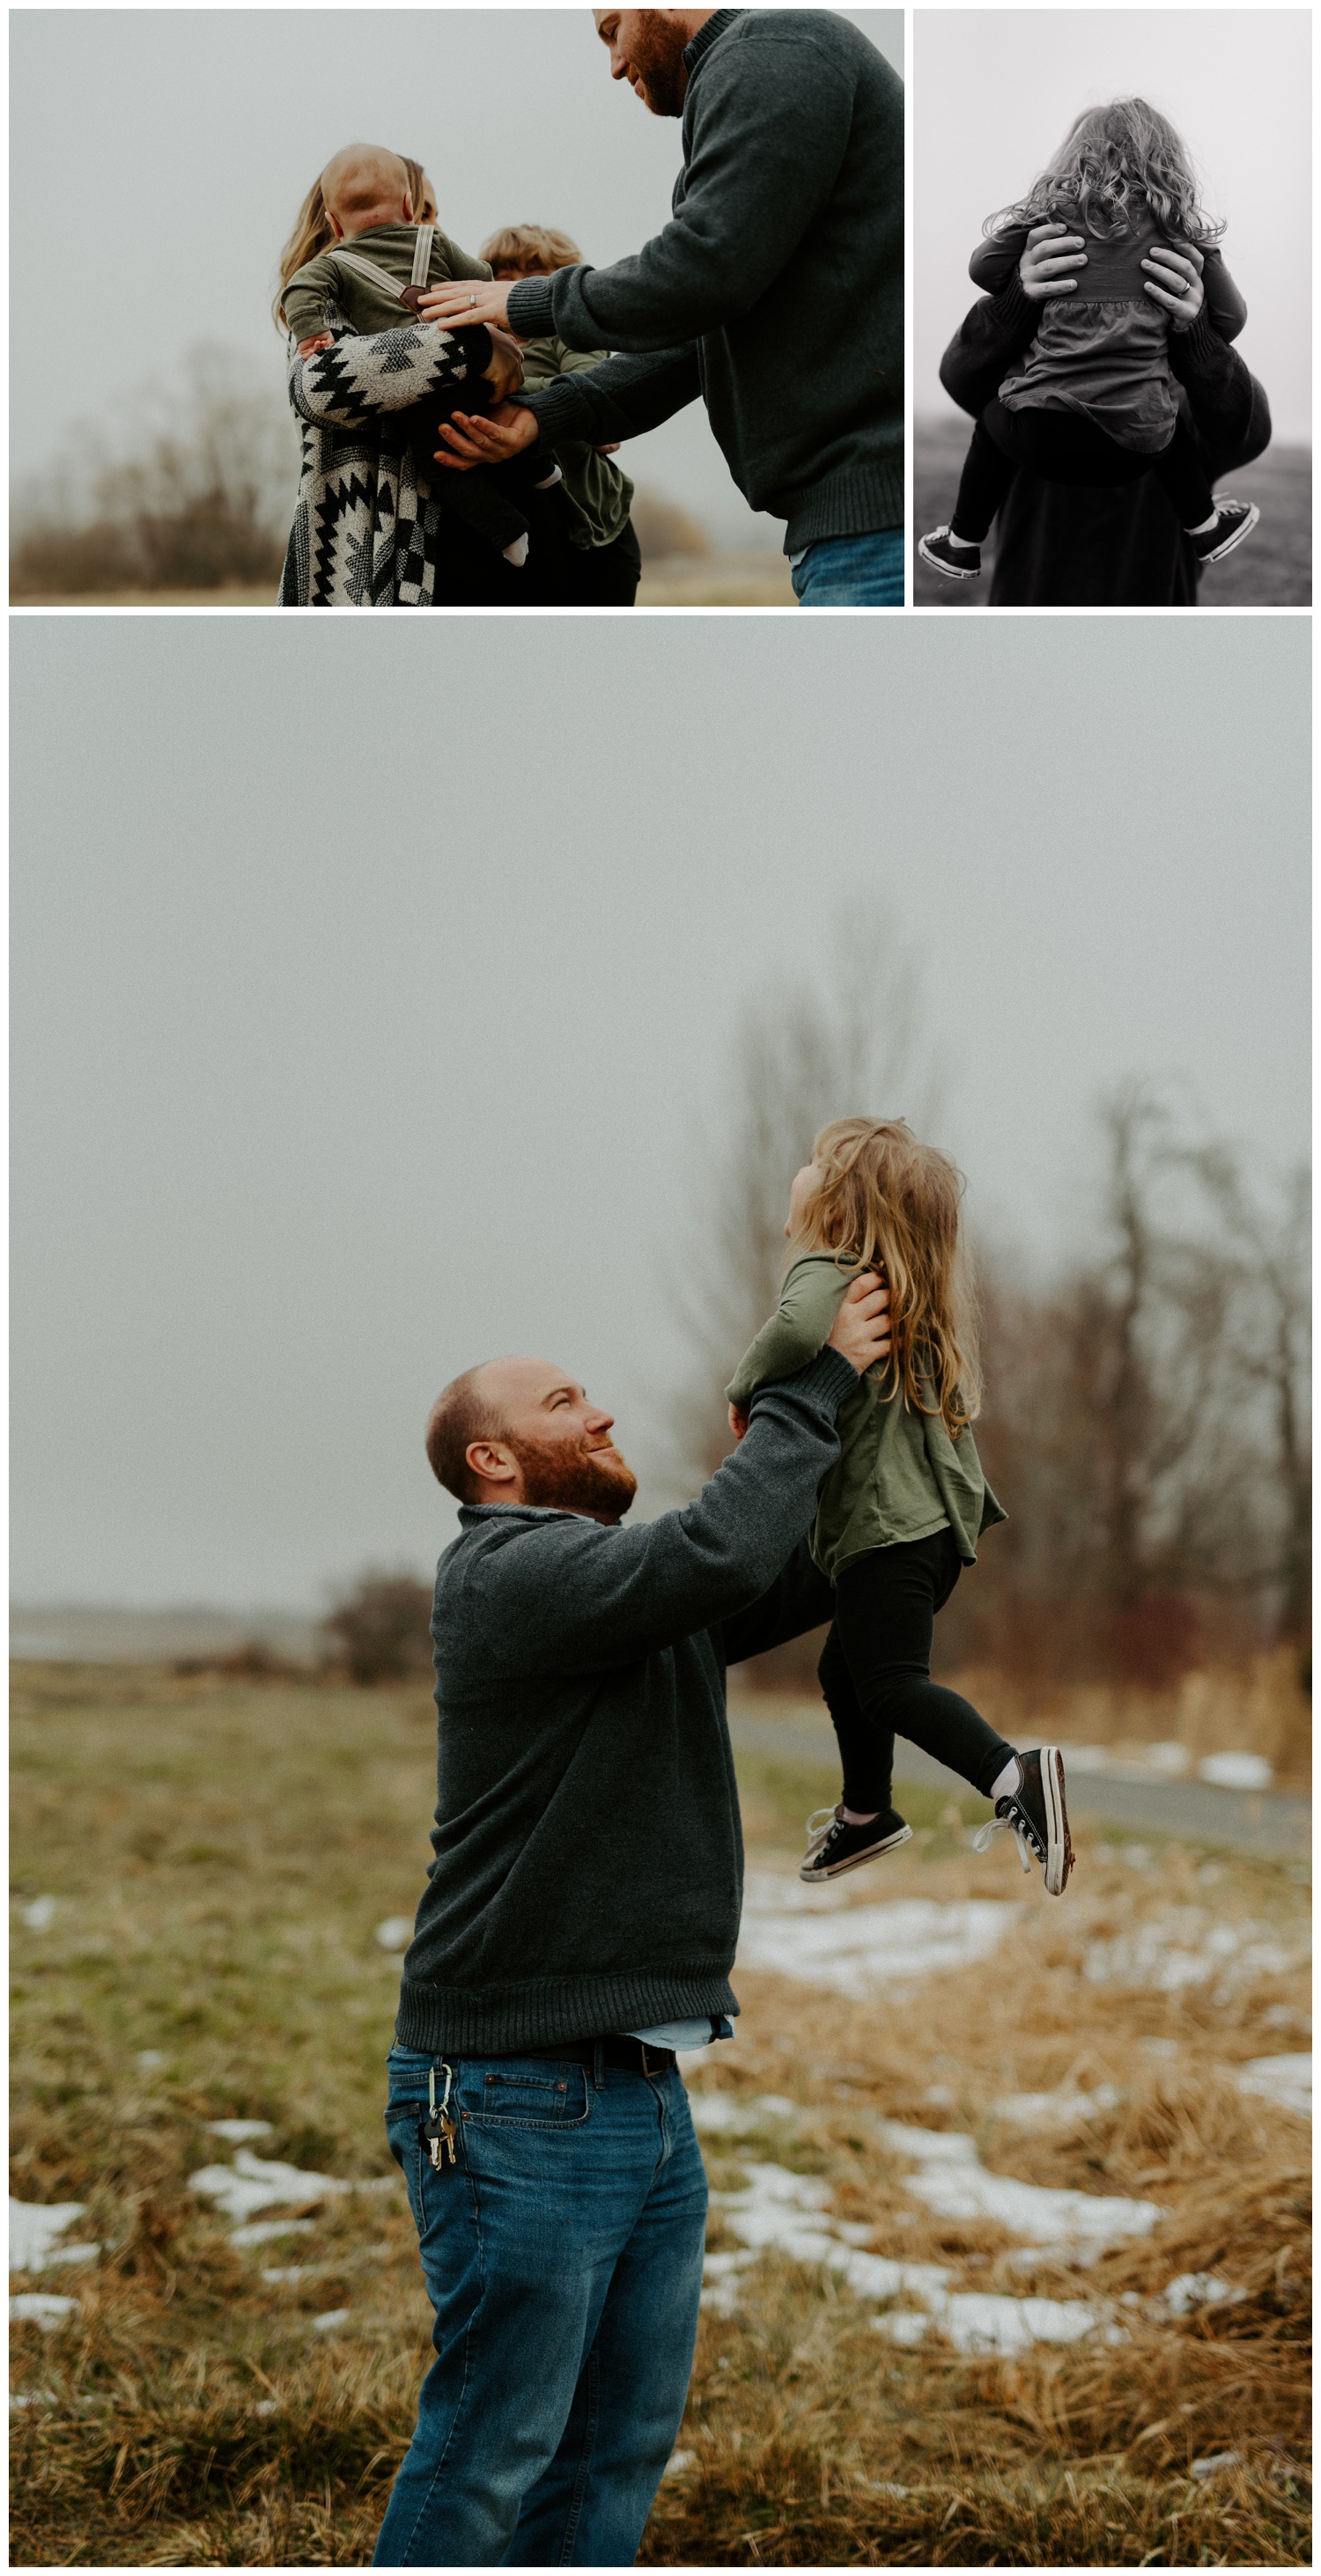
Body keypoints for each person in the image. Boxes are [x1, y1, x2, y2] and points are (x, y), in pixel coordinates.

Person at [372, 1273, 892, 2568]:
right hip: (511, 2091)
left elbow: (782, 1565)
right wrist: (807, 1386)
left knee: (612, 2451)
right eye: (564, 1401)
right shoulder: (510, 1573)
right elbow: (715, 1553)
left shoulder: (614, 1595)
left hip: (637, 2089)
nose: (601, 1412)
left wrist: (906, 1443)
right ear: (493, 1458)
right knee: (493, 2451)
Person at [421, 10, 904, 607]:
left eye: (612, 29)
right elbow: (696, 343)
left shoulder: (773, 48)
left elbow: (705, 269)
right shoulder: (755, 69)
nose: (616, 64)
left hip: (879, 528)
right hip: (843, 533)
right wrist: (543, 418)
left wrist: (525, 301)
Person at [726, 1119, 1074, 1896]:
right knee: (845, 1671)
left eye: (816, 1165)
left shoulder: (832, 1268)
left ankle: (1013, 1774)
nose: (800, 1171)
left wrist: (742, 1388)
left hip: (886, 1535)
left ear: (842, 1208)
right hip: (928, 1534)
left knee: (887, 1684)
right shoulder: (911, 1287)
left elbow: (791, 1330)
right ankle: (866, 1814)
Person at [920, 101, 1258, 583]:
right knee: (1169, 422)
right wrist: (1198, 317)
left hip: (1041, 436)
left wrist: (1019, 274)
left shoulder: (1048, 221)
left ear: (1073, 160)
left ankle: (962, 542)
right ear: (1171, 167)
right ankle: (1205, 527)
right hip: (1138, 448)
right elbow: (1234, 318)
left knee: (996, 420)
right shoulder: (1182, 237)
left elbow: (980, 269)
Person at [934, 211, 1271, 607]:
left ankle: (961, 543)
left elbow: (1246, 431)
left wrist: (1198, 339)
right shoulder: (1031, 373)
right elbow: (961, 377)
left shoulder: (1188, 390)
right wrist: (1017, 301)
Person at [279, 146, 559, 576]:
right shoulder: (326, 309)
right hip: (372, 567)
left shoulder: (427, 263)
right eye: (425, 211)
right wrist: (478, 344)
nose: (432, 226)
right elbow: (322, 387)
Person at [482, 224, 643, 606]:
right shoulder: (481, 341)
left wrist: (503, 393)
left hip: (596, 528)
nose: (518, 288)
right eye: (504, 278)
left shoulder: (567, 331)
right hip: (520, 529)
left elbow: (589, 386)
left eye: (535, 277)